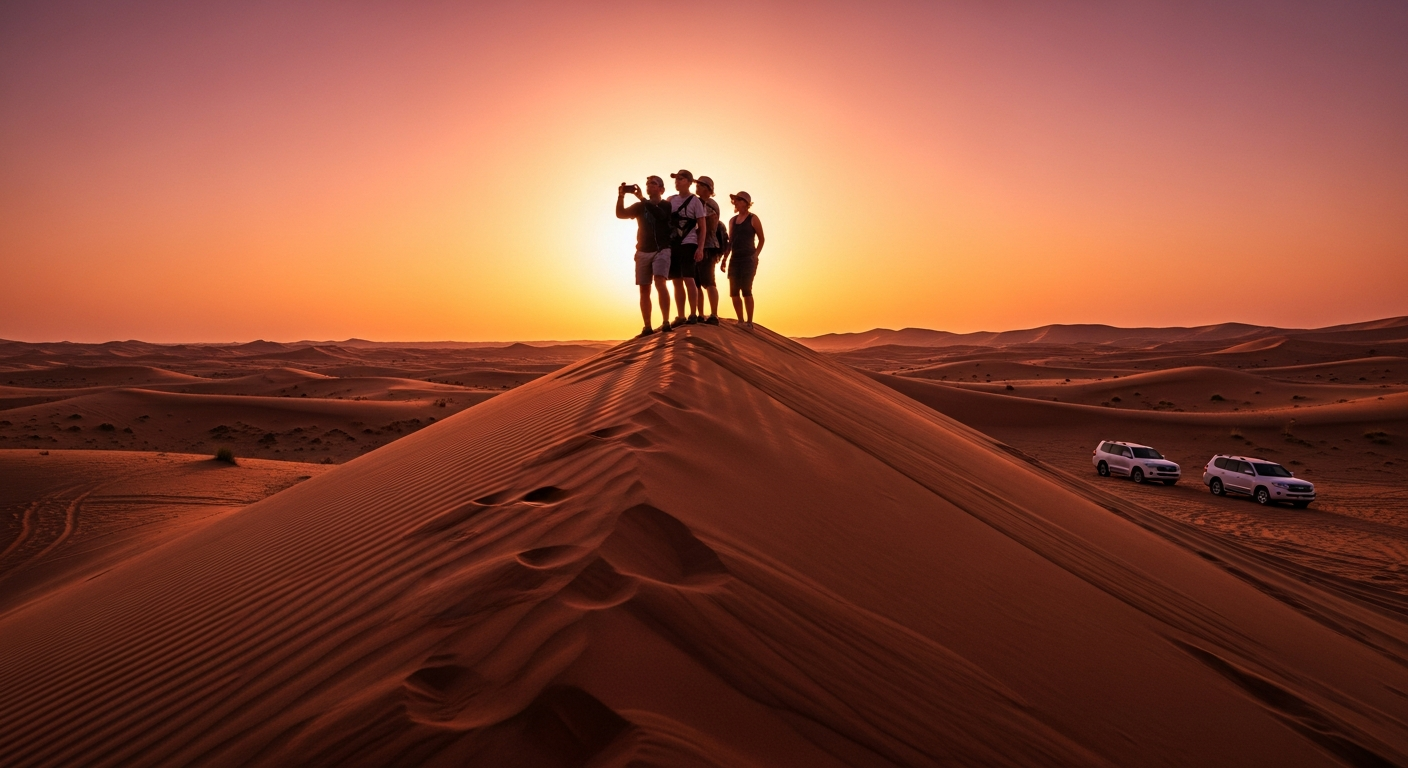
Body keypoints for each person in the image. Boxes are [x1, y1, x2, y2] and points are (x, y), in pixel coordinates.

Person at [616, 176, 672, 336]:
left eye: (653, 184)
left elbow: (660, 216)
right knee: (644, 288)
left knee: (660, 281)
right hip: (642, 251)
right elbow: (620, 214)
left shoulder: (666, 205)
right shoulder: (640, 206)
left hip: (661, 249)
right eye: (648, 183)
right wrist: (621, 196)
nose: (649, 186)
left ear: (661, 189)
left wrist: (642, 198)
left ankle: (666, 322)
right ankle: (647, 327)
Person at [666, 170, 709, 326]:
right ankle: (680, 315)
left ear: (689, 182)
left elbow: (702, 227)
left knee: (689, 279)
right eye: (676, 179)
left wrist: (700, 248)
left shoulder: (695, 201)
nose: (677, 182)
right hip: (673, 244)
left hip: (689, 243)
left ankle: (693, 313)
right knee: (676, 280)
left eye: (681, 179)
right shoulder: (671, 200)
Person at [721, 191, 764, 329]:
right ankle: (740, 320)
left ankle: (749, 322)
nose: (736, 202)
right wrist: (724, 259)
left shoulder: (753, 218)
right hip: (735, 258)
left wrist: (755, 255)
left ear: (746, 202)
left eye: (739, 200)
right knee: (734, 292)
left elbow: (762, 239)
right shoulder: (732, 220)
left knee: (746, 290)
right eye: (735, 200)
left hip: (748, 258)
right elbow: (731, 241)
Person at [694, 176, 726, 325]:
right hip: (697, 246)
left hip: (708, 247)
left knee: (709, 282)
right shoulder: (699, 202)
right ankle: (699, 314)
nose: (696, 187)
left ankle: (714, 315)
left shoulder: (709, 204)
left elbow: (706, 226)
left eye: (699, 185)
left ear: (706, 188)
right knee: (696, 283)